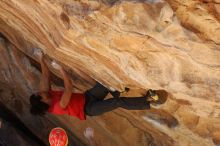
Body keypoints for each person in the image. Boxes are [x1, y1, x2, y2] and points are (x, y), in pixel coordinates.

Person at [29, 49, 167, 119]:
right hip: (89, 108)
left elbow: (46, 76)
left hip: (87, 97)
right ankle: (149, 100)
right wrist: (60, 69)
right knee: (117, 102)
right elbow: (69, 88)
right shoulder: (58, 107)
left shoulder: (44, 95)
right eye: (41, 94)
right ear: (44, 101)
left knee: (106, 82)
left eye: (39, 92)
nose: (42, 91)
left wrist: (41, 58)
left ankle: (119, 90)